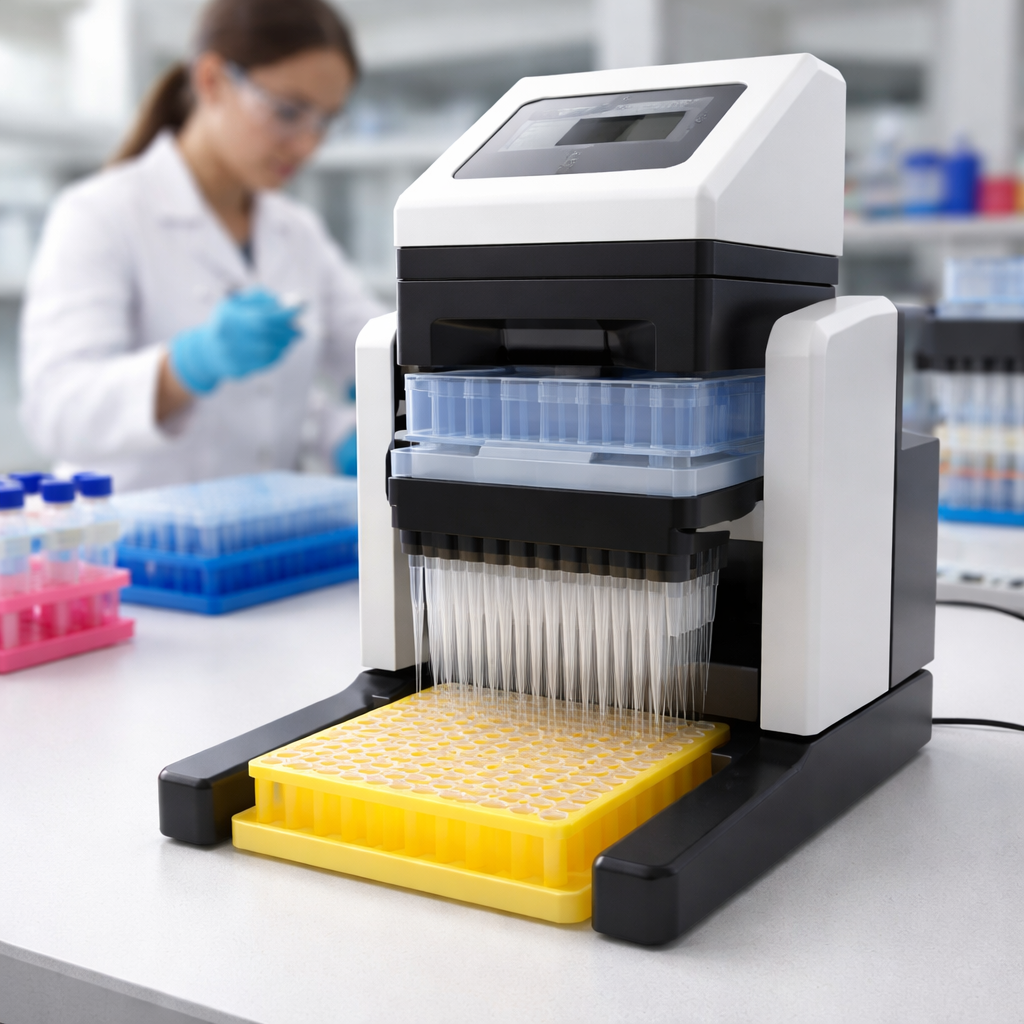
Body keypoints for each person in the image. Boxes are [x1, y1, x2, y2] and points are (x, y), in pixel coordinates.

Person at [19, 0, 384, 490]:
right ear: (212, 81)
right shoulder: (99, 214)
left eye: (324, 121)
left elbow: (371, 344)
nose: (307, 145)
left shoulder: (297, 231)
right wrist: (185, 367)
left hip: (262, 538)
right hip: (135, 545)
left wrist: (340, 431)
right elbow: (55, 410)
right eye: (289, 111)